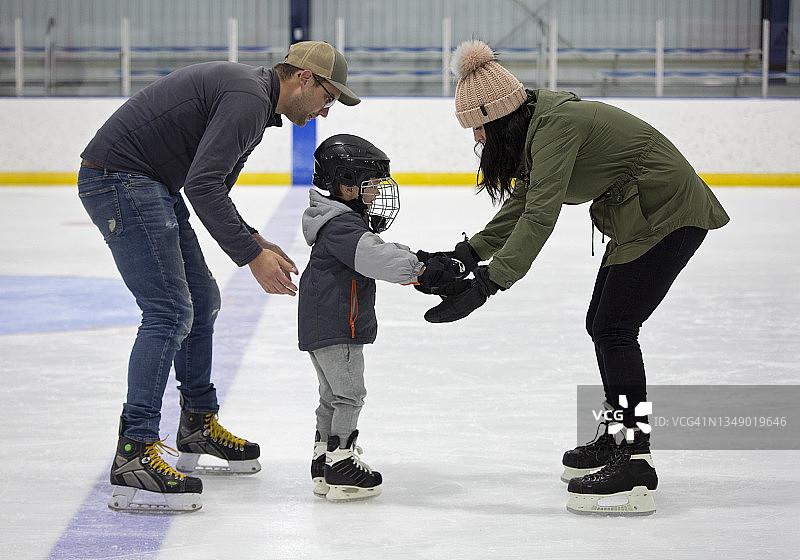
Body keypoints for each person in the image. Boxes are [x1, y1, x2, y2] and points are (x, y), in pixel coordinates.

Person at [423, 40, 730, 515]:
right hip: (639, 219)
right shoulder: (536, 126)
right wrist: (466, 255)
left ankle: (635, 461)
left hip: (668, 214)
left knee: (614, 328)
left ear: (499, 116)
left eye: (479, 129)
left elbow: (541, 215)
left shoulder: (556, 127)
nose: (479, 141)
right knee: (603, 325)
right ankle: (617, 438)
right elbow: (524, 203)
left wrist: (488, 283)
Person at [79, 41, 360, 513]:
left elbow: (213, 186)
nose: (327, 111)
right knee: (169, 311)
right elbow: (202, 186)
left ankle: (196, 424)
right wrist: (252, 255)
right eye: (328, 97)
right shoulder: (249, 99)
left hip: (150, 183)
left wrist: (254, 239)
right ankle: (135, 451)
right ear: (304, 78)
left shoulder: (257, 104)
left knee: (202, 299)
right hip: (121, 178)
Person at [298, 134, 466, 502]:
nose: (376, 194)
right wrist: (421, 269)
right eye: (370, 186)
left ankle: (323, 459)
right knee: (349, 395)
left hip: (323, 323)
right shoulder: (342, 227)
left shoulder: (336, 222)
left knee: (331, 396)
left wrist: (418, 256)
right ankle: (341, 463)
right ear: (345, 184)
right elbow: (377, 258)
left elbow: (376, 250)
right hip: (337, 325)